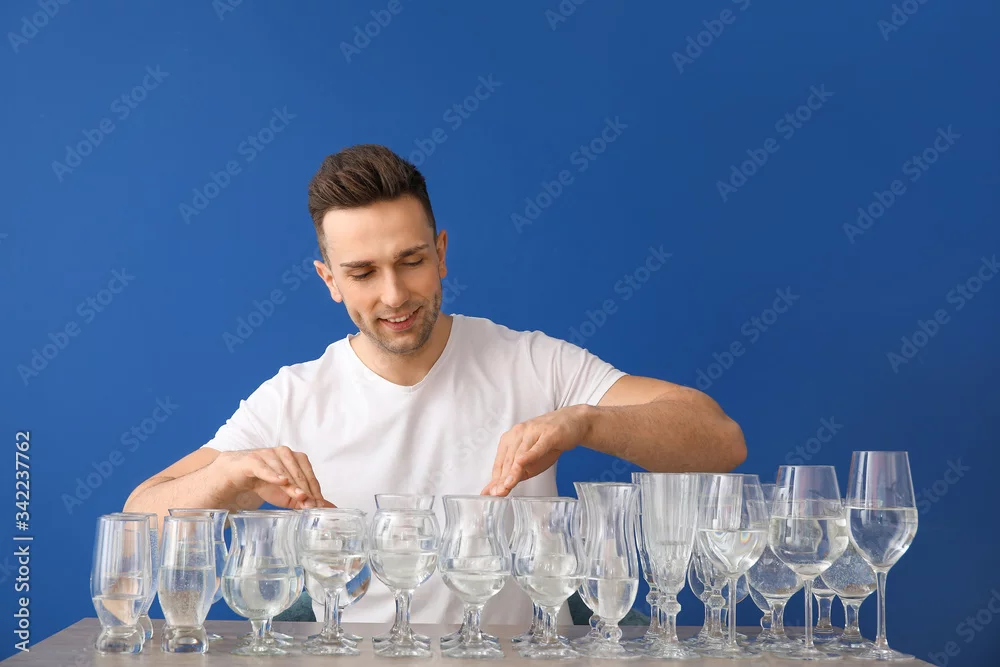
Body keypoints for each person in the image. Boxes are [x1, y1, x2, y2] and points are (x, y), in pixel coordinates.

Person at [124, 144, 746, 626]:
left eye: (412, 261)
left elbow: (720, 441)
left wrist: (586, 422)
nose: (394, 295)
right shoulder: (294, 396)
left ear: (441, 253)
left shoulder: (533, 362)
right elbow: (139, 515)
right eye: (362, 273)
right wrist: (228, 475)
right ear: (329, 280)